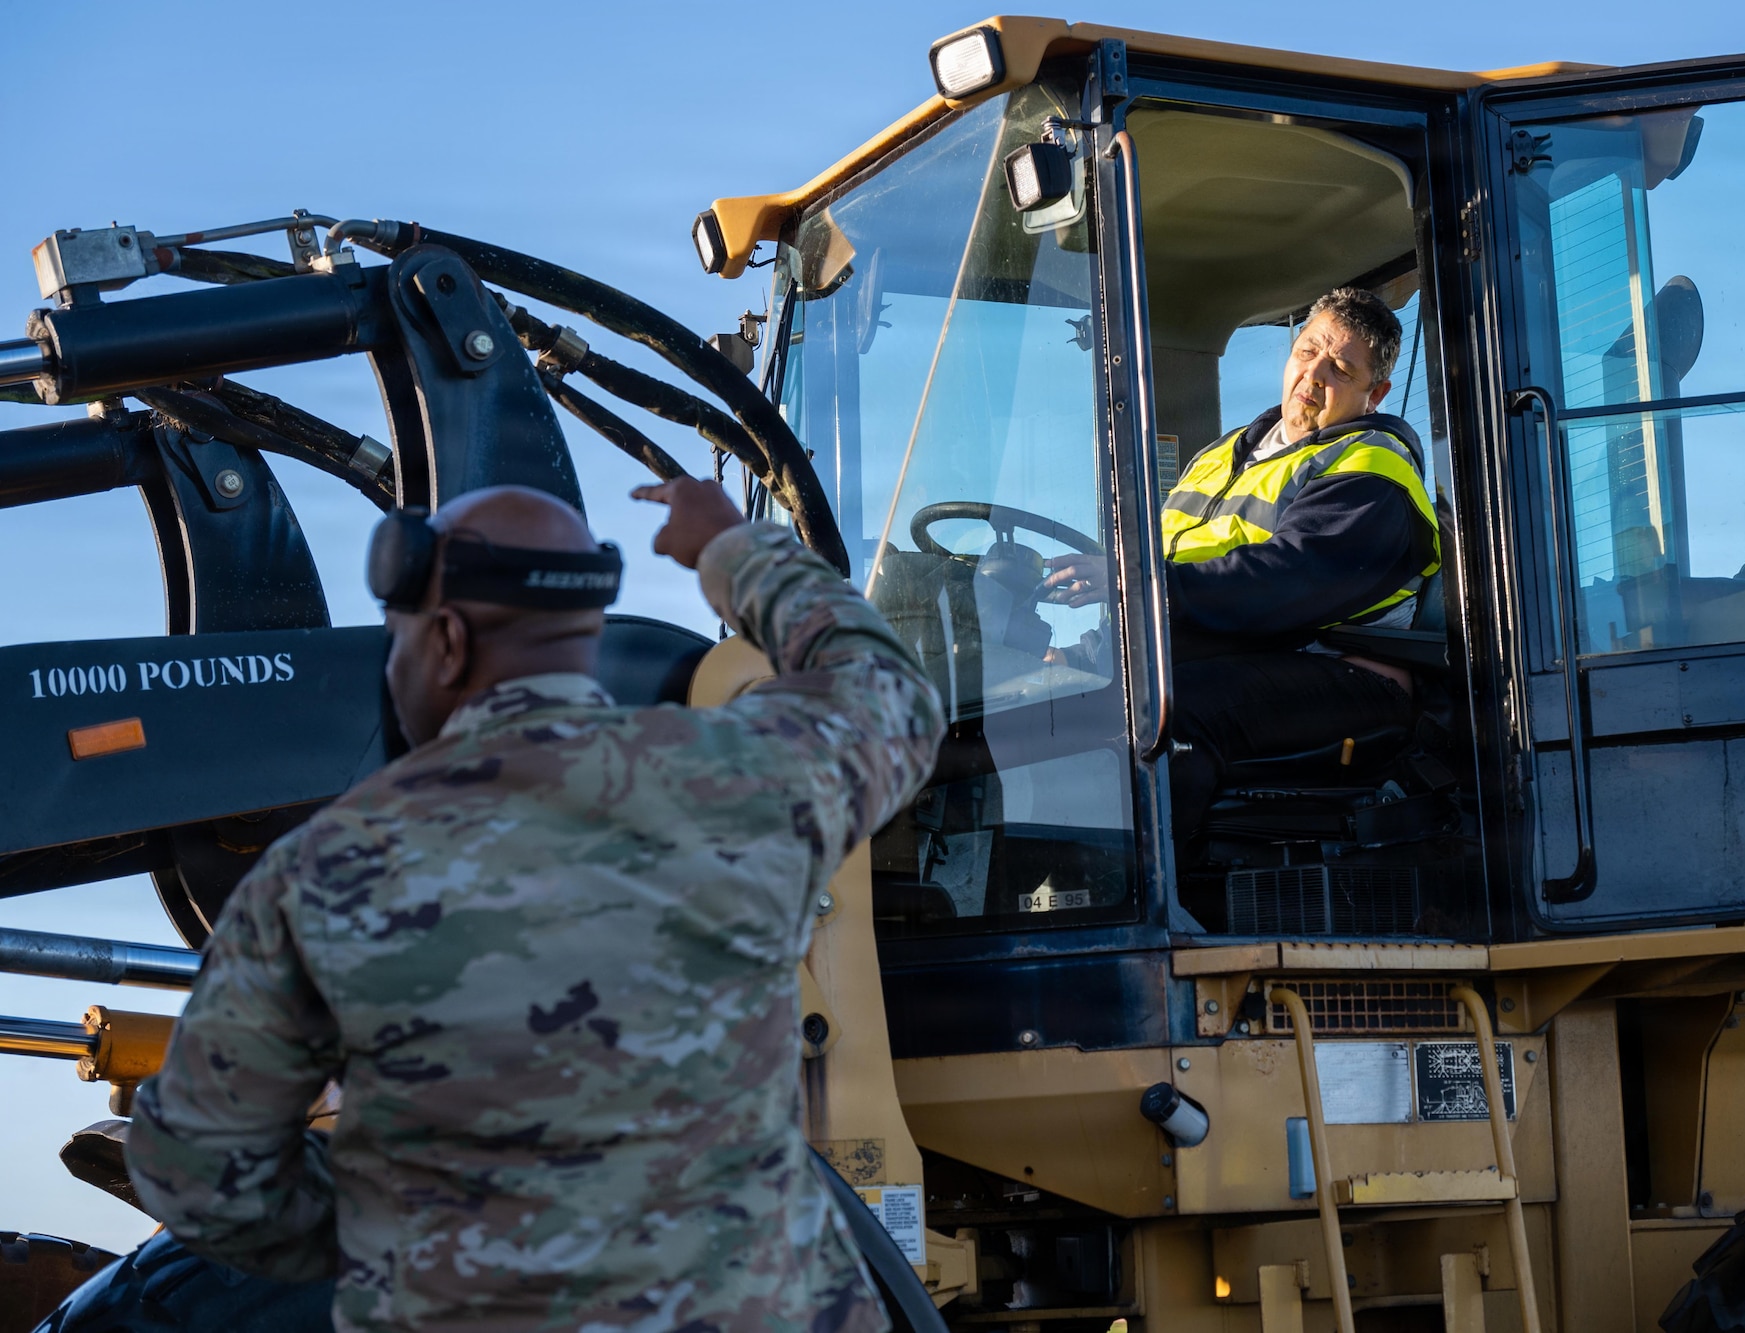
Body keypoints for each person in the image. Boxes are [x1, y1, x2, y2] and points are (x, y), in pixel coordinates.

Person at [122, 479, 945, 1333]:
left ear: (444, 641)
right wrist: (730, 547)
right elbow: (889, 689)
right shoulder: (747, 780)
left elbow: (199, 1167)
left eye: (396, 639)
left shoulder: (325, 869)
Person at [1043, 286, 1439, 857]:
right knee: (1043, 694)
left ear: (1374, 394)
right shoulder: (1224, 455)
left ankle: (1147, 893)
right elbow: (1174, 563)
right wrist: (1085, 654)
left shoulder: (1373, 471)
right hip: (1238, 650)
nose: (1314, 375)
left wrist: (1139, 586)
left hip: (1343, 671)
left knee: (1170, 716)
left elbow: (1286, 583)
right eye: (1308, 351)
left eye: (1341, 368)